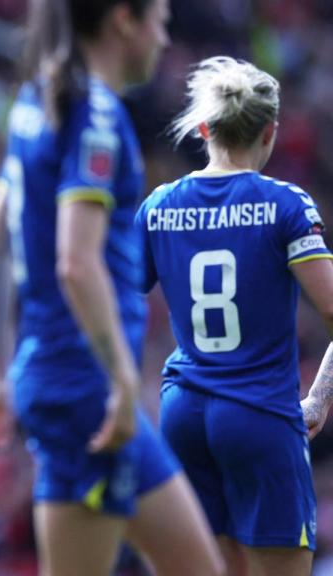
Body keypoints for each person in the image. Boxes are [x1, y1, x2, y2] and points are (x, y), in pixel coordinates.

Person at [0, 0, 226, 574]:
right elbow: (76, 262)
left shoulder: (39, 101)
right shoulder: (98, 117)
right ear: (122, 20)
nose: (164, 39)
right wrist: (120, 380)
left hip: (62, 383)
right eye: (159, 21)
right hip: (87, 393)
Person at [138, 56, 333, 576]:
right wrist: (320, 396)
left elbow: (114, 299)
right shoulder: (286, 204)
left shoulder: (160, 205)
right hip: (260, 415)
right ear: (269, 131)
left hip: (183, 412)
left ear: (203, 129)